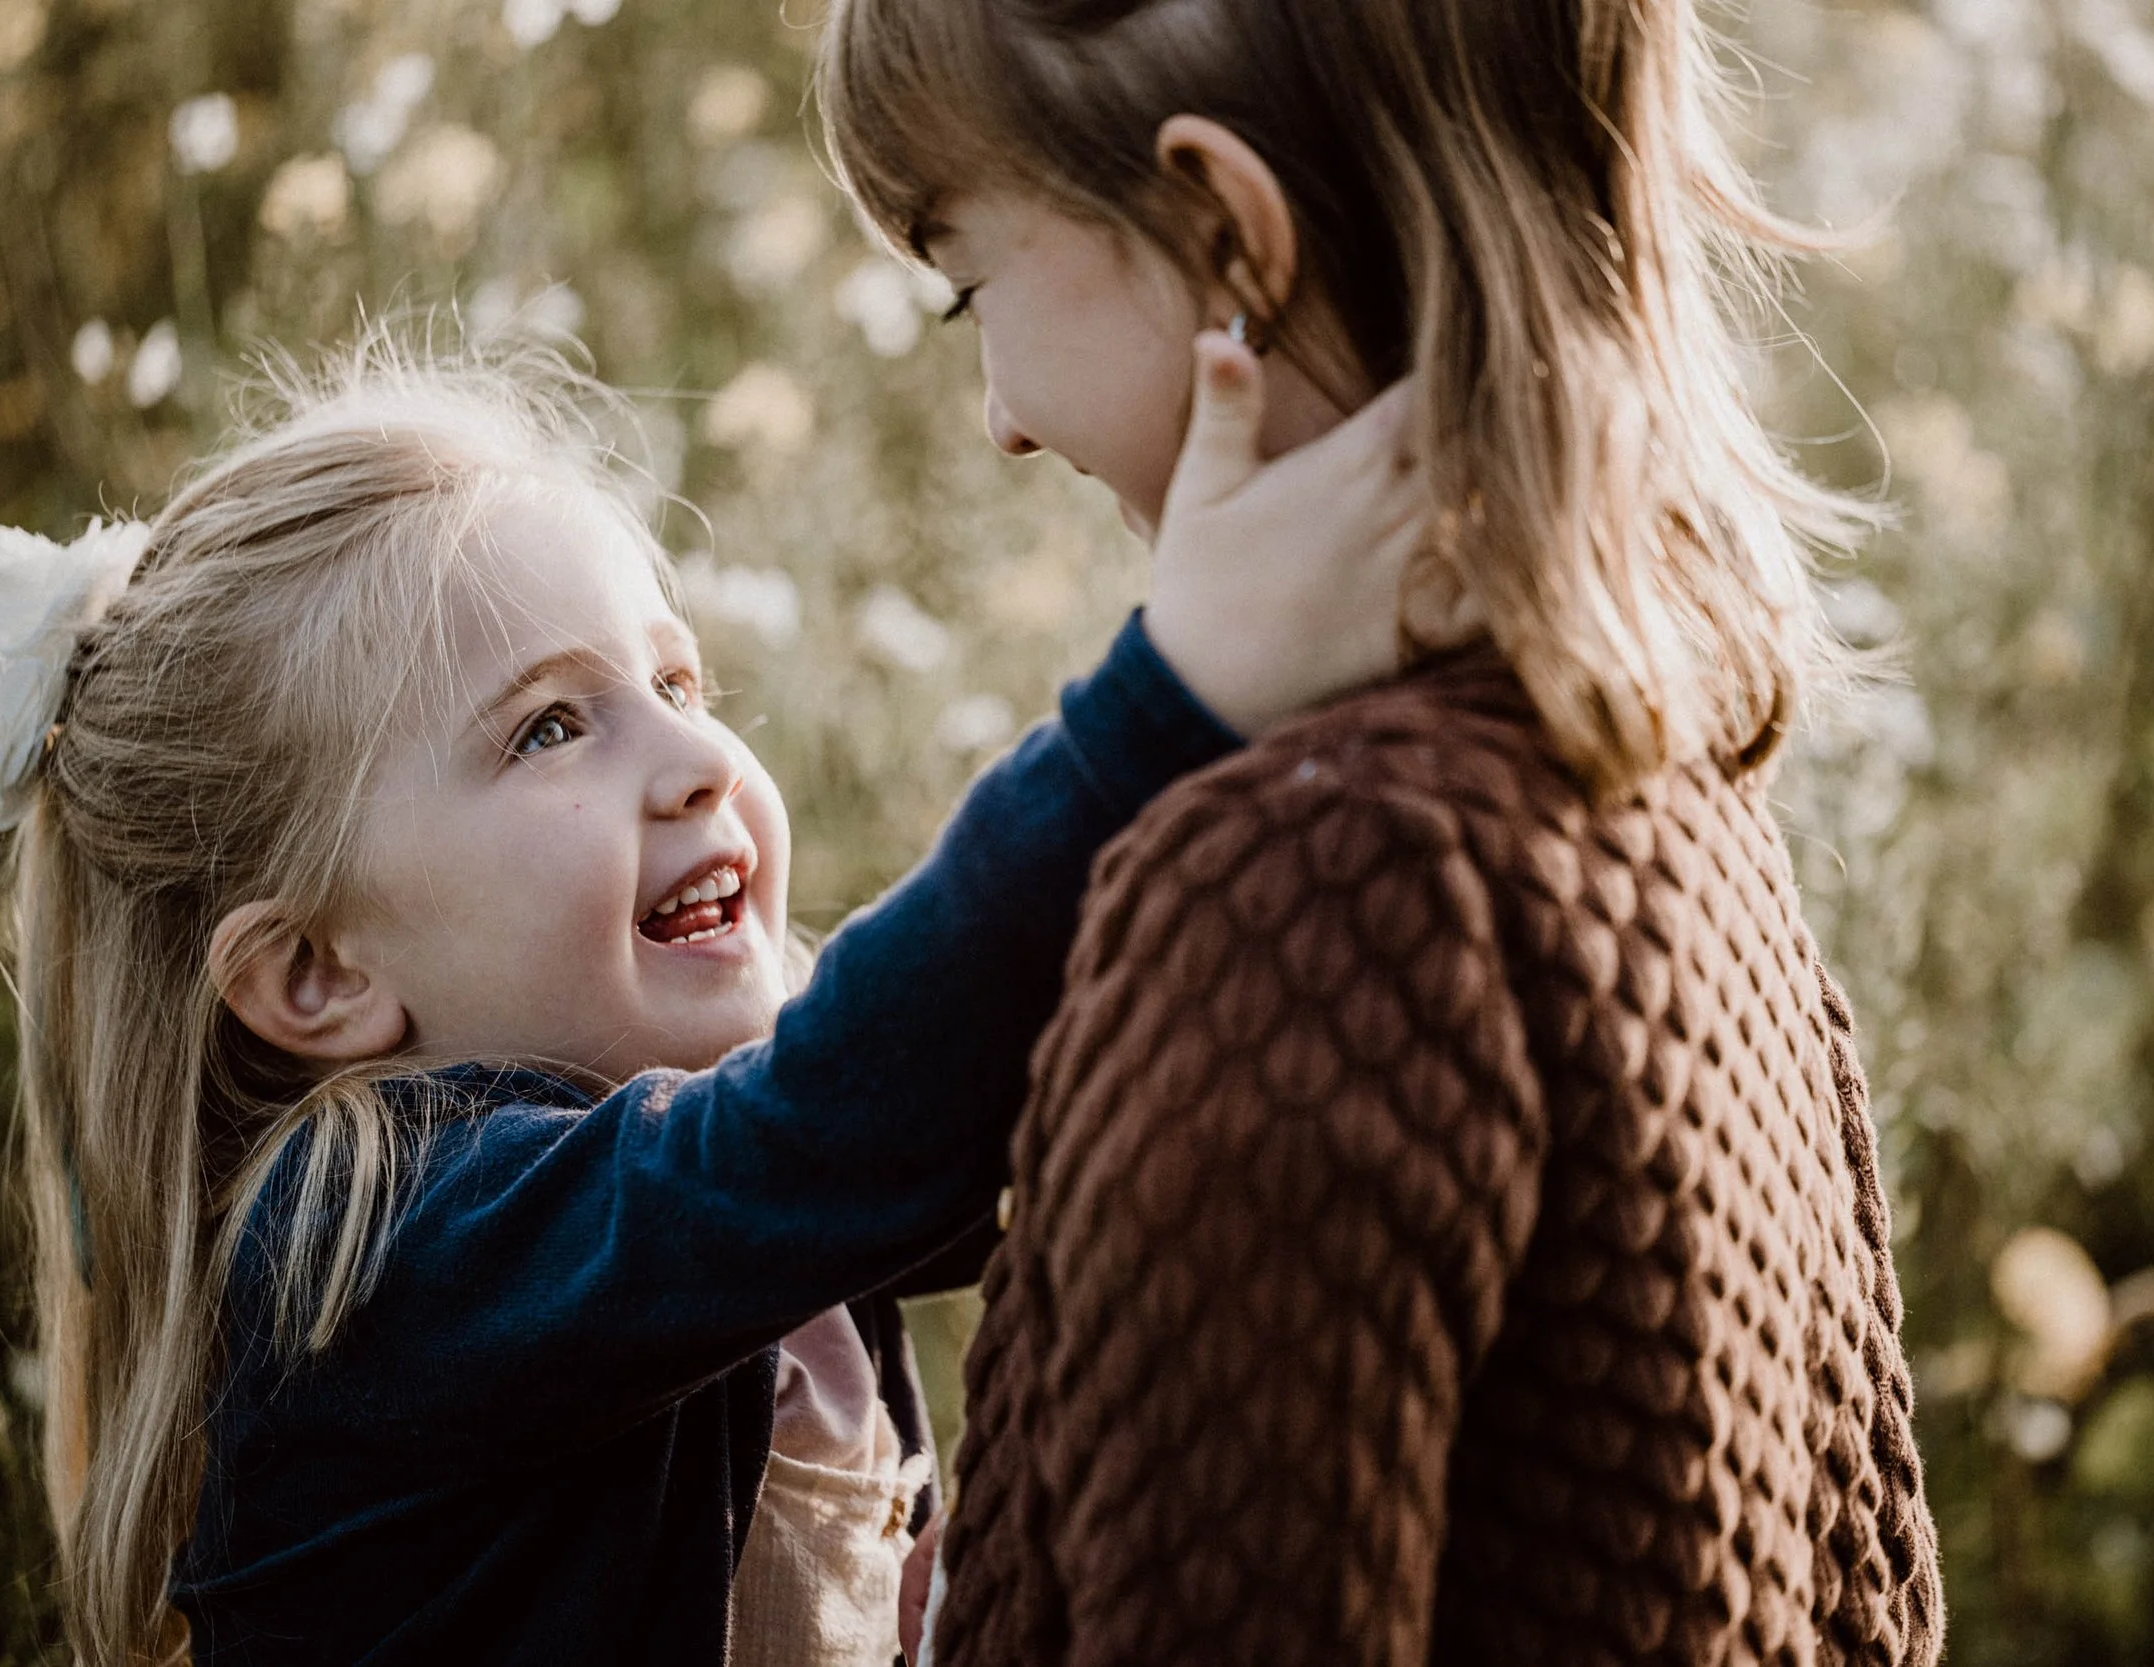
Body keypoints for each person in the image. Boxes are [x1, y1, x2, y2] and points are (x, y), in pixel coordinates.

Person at [0, 329, 1422, 1665]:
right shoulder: (371, 1251)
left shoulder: (727, 1156)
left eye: (677, 685)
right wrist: (1176, 696)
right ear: (319, 973)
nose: (696, 760)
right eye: (550, 728)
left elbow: (1032, 1103)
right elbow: (847, 1117)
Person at [818, 1, 1946, 1662]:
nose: (999, 418)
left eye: (967, 286)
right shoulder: (1657, 792)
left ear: (1225, 239)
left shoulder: (1303, 912)